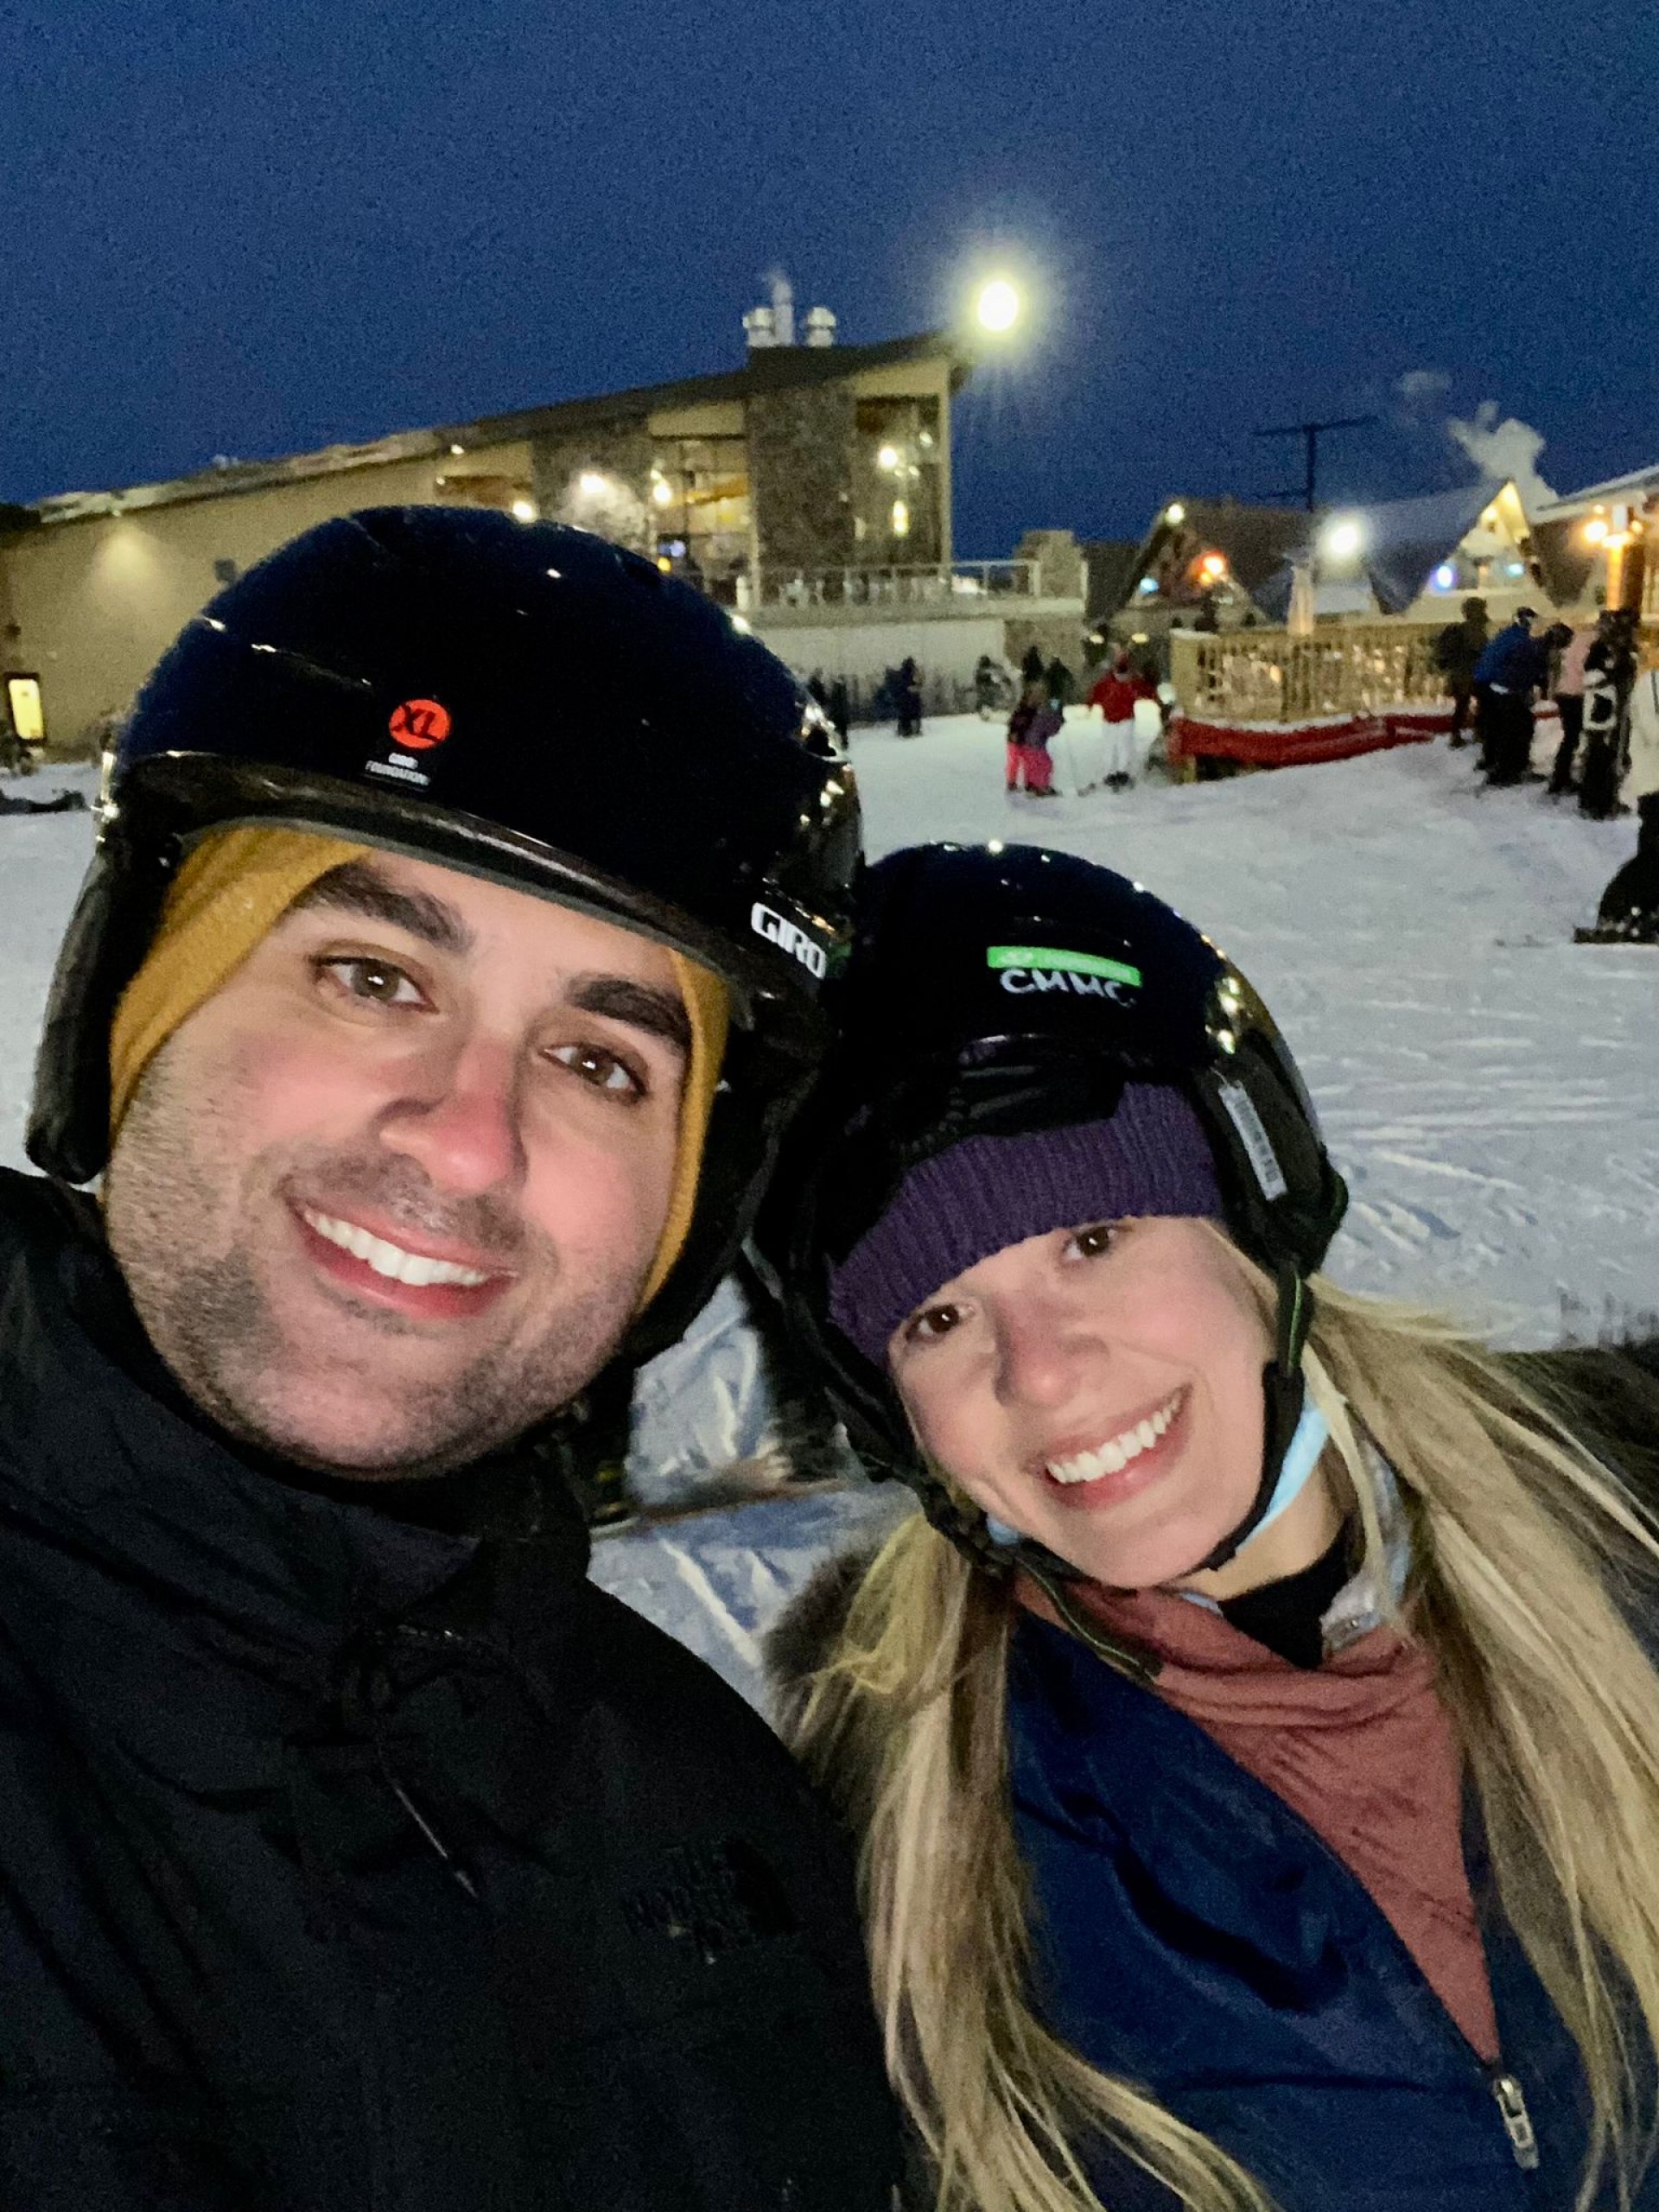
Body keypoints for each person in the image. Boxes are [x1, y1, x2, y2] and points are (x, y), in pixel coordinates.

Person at [0, 507, 904, 2209]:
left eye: (601, 1059)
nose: (473, 1141)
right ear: (137, 1002)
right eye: (372, 972)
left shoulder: (727, 1831)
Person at [756, 839, 1659, 2212]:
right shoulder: (881, 1831)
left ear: (1256, 1222)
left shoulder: (1625, 1527)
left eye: (1095, 1238)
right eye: (938, 1320)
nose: (1043, 1374)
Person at [1581, 652, 1659, 940]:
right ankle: (1617, 912)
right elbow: (1653, 731)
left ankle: (1647, 912)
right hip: (1654, 782)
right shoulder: (1652, 683)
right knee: (1654, 852)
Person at [1471, 606, 1548, 785]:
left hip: (1485, 681)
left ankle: (1491, 760)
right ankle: (1507, 767)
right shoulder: (1520, 641)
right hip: (1496, 684)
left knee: (1495, 725)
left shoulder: (1507, 635)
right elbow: (1513, 666)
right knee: (1511, 727)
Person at [1579, 609, 1639, 820]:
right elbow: (1612, 680)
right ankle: (1601, 803)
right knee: (1605, 757)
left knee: (1601, 756)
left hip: (1606, 711)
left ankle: (1594, 800)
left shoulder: (1609, 651)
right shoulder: (1607, 654)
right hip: (1607, 713)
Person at [1087, 651, 1159, 791]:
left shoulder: (1108, 682)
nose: (1122, 677)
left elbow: (1095, 693)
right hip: (1122, 719)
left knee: (1115, 746)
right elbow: (1146, 690)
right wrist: (1153, 696)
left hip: (1115, 719)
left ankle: (1114, 773)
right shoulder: (1129, 682)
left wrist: (1090, 704)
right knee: (1120, 746)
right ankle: (1118, 773)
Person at [1546, 620, 1596, 795]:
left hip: (1564, 693)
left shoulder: (1575, 643)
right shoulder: (1589, 642)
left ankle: (1561, 776)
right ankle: (1562, 777)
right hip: (1575, 695)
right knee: (1574, 737)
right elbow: (1586, 668)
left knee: (1571, 737)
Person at [1433, 595, 1490, 748]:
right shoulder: (1474, 630)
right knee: (1483, 703)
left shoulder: (1463, 629)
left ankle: (1457, 735)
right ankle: (1479, 732)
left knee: (1462, 706)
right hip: (1473, 674)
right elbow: (1482, 651)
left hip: (1459, 675)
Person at [1006, 677, 1060, 797]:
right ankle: (1016, 782)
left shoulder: (1037, 709)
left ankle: (1032, 784)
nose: (1036, 698)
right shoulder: (1023, 708)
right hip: (1017, 740)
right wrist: (1014, 732)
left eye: (1040, 694)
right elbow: (1015, 722)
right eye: (1034, 695)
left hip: (1028, 741)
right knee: (1017, 762)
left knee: (1032, 763)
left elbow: (1046, 722)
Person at [896, 655, 924, 738]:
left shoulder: (903, 673)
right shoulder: (913, 672)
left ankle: (905, 731)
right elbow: (918, 683)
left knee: (905, 715)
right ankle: (913, 731)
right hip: (912, 698)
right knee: (914, 715)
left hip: (906, 698)